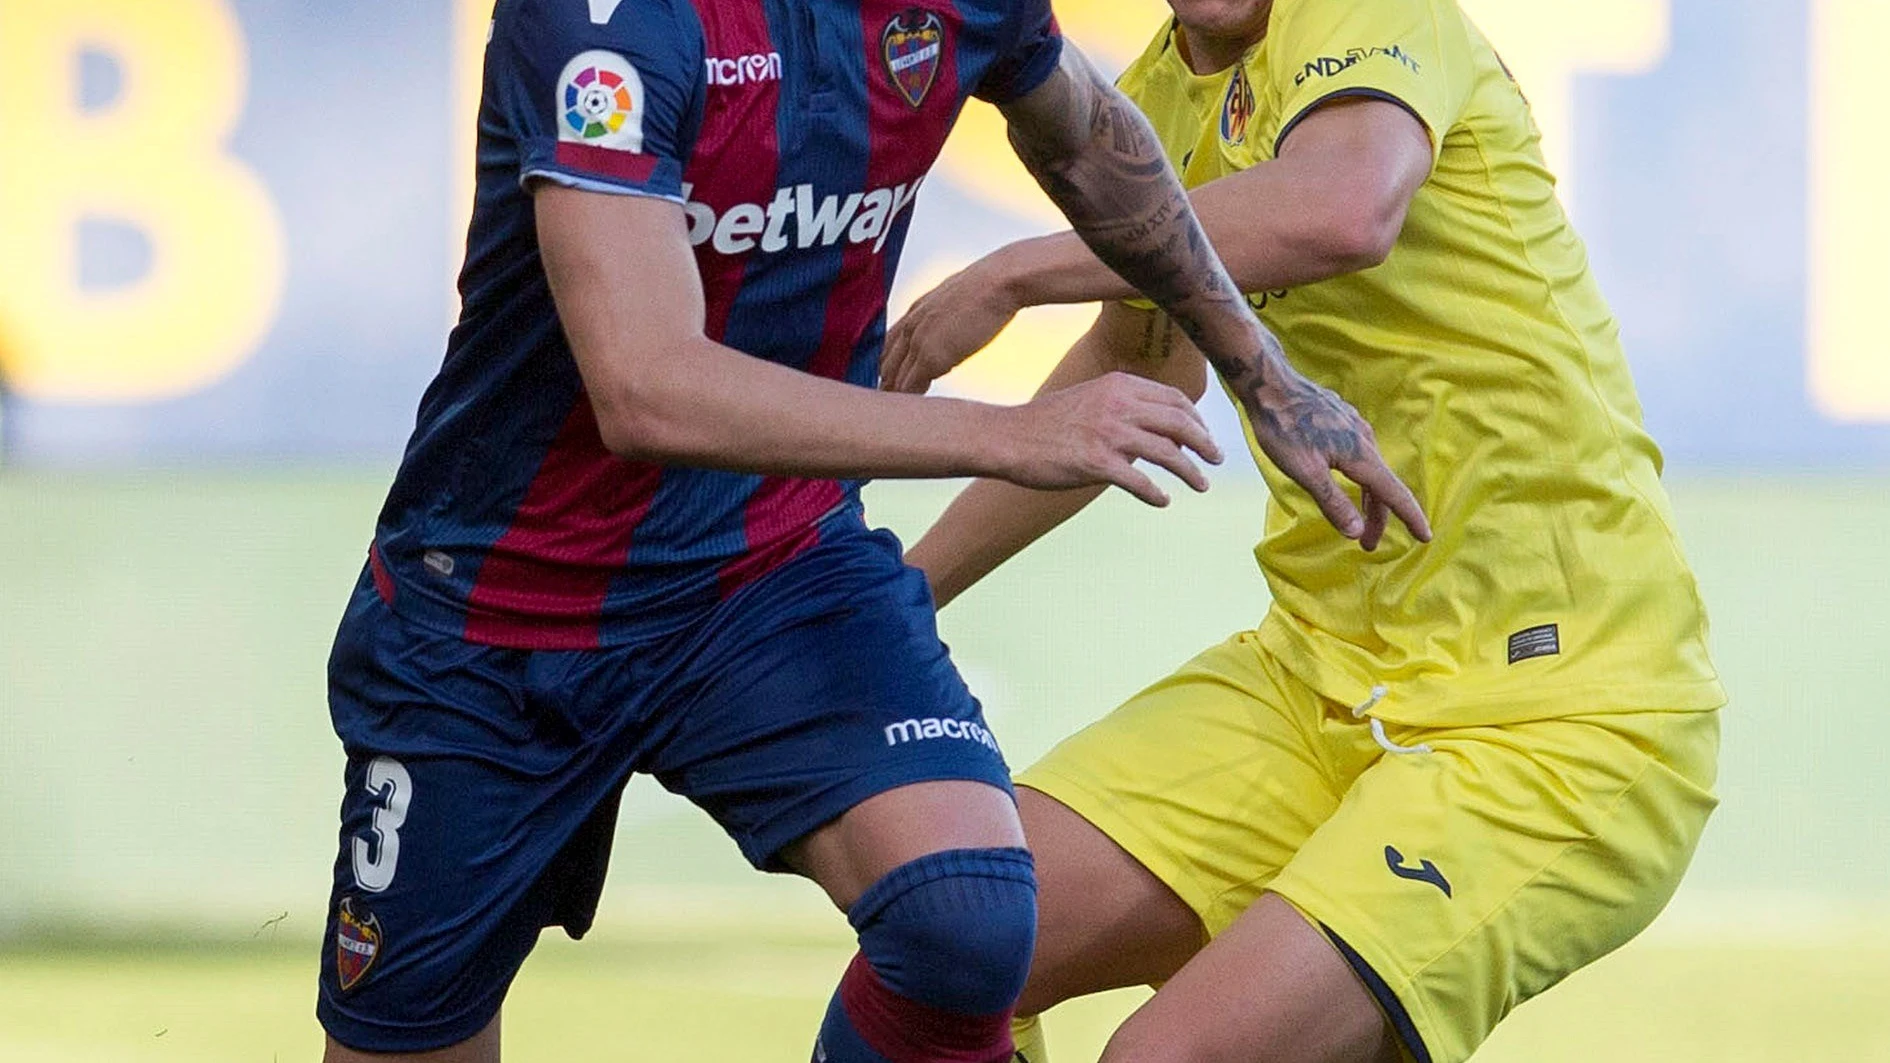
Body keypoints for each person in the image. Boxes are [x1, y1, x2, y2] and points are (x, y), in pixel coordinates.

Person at [316, 0, 1425, 1060]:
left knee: (968, 919)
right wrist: (1004, 432)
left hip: (772, 571)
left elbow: (1092, 142)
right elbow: (646, 389)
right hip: (503, 608)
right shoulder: (605, 24)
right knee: (410, 1041)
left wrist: (1260, 371)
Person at [885, 1, 1727, 1061]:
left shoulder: (1376, 12)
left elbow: (1344, 206)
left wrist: (1015, 272)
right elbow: (1146, 365)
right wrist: (905, 593)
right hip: (1314, 678)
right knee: (946, 946)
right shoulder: (1149, 98)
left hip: (1557, 716)